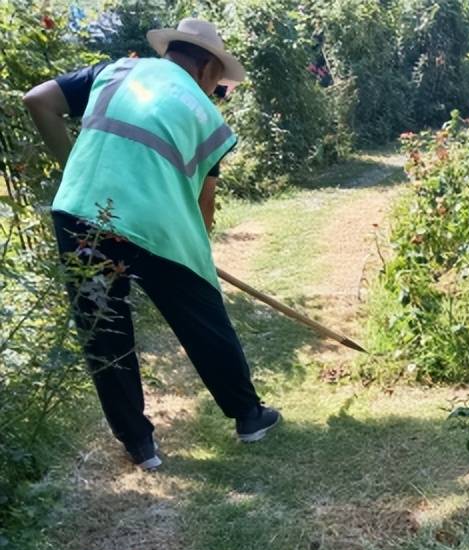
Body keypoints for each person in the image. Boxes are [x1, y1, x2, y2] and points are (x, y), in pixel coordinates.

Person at [22, 18, 280, 471]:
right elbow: (203, 206)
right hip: (157, 224)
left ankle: (140, 447)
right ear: (205, 68)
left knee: (104, 330)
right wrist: (197, 260)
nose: (215, 89)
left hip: (81, 212)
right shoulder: (208, 119)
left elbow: (38, 100)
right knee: (203, 316)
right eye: (217, 80)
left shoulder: (116, 71)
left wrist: (73, 172)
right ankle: (249, 416)